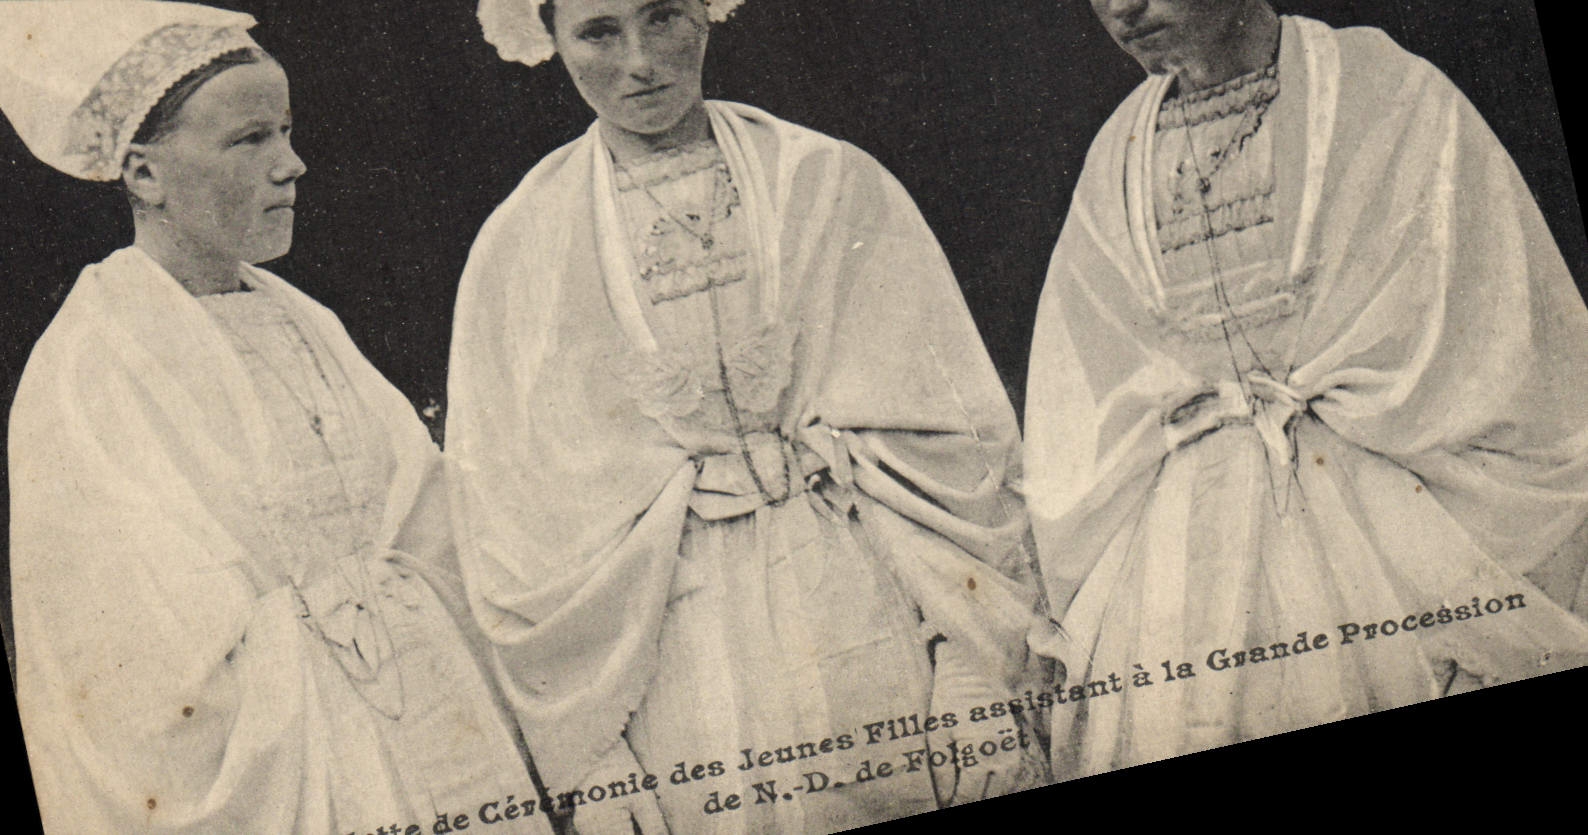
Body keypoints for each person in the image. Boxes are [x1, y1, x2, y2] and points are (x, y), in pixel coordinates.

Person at [452, 1, 1045, 831]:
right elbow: (518, 527)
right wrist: (591, 760)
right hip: (670, 653)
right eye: (597, 32)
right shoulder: (523, 245)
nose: (640, 62)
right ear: (545, 37)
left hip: (871, 604)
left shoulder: (825, 179)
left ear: (707, 11)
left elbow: (947, 435)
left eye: (663, 18)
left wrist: (972, 662)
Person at [1, 3, 554, 831]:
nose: (291, 165)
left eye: (286, 132)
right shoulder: (93, 364)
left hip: (434, 717)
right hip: (303, 767)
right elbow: (127, 649)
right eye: (250, 140)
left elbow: (425, 512)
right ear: (145, 175)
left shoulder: (303, 319)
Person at [1024, 0, 1588, 781]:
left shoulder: (1386, 92)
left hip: (1380, 518)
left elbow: (1501, 341)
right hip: (1180, 551)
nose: (1123, 7)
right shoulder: (1117, 153)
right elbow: (1083, 389)